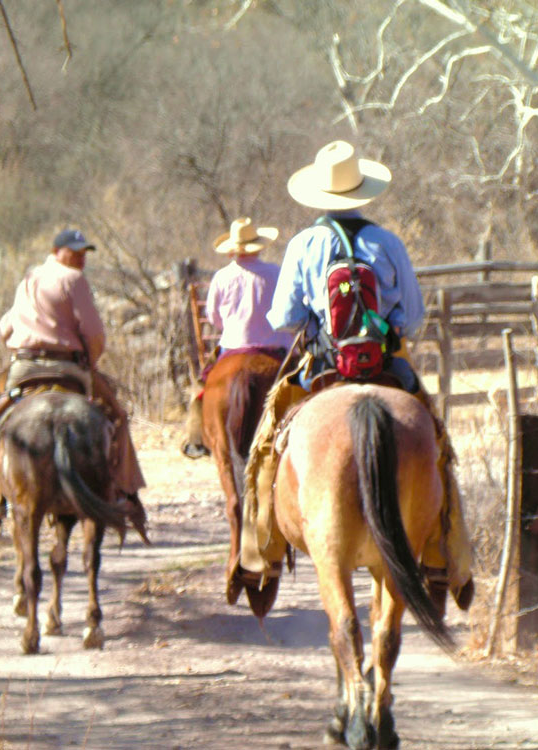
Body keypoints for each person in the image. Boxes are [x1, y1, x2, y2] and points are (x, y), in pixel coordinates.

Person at [237, 140, 473, 612]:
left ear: (320, 196)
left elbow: (284, 316)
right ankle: (446, 557)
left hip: (324, 364)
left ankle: (260, 553)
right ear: (362, 193)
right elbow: (411, 318)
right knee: (439, 447)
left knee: (264, 447)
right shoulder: (387, 243)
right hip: (388, 365)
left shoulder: (305, 244)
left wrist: (317, 318)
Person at [0, 229, 147, 530]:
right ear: (57, 251)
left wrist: (25, 343)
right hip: (69, 366)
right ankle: (123, 491)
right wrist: (90, 360)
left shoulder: (28, 278)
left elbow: (5, 327)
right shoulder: (74, 279)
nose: (82, 258)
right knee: (117, 415)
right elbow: (93, 332)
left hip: (24, 367)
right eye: (76, 252)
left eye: (84, 253)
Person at [181, 217, 293, 457]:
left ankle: (196, 438)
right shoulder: (276, 273)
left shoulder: (222, 277)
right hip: (276, 349)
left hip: (233, 347)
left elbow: (213, 317)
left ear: (232, 249)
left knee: (200, 389)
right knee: (302, 383)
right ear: (259, 245)